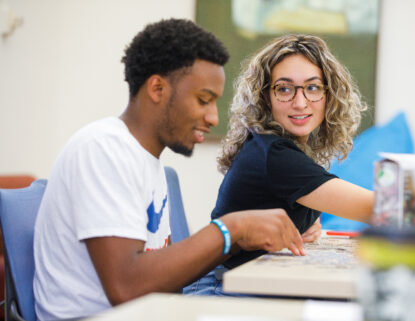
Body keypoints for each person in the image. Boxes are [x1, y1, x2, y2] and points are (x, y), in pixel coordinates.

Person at [33, 19, 305, 320]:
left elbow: (165, 273)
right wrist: (233, 228)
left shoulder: (146, 162)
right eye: (204, 100)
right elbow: (127, 286)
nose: (214, 117)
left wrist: (244, 237)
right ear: (157, 88)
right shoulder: (103, 149)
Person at [184, 34, 375, 296]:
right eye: (284, 89)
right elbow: (378, 208)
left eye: (313, 87)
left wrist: (301, 225)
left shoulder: (277, 147)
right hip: (221, 289)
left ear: (329, 95)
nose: (299, 102)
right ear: (266, 97)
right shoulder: (274, 154)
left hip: (233, 280)